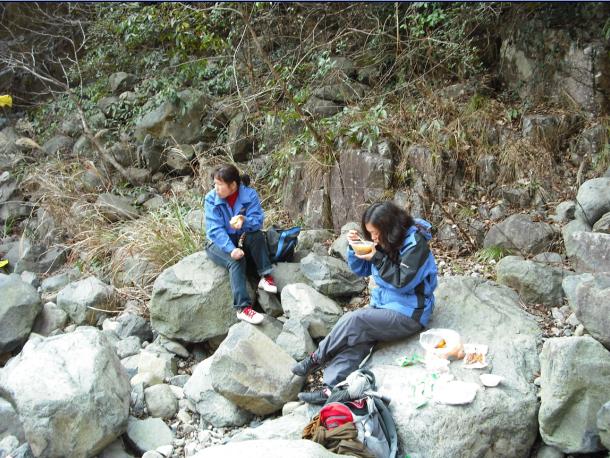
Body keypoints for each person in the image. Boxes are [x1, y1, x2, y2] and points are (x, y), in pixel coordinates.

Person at [292, 201, 438, 403]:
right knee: (358, 339)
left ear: (390, 228)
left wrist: (377, 257)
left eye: (376, 233)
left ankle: (316, 359)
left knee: (356, 320)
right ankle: (329, 388)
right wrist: (355, 248)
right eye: (370, 233)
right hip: (384, 305)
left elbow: (402, 282)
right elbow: (361, 270)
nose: (374, 238)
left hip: (410, 312)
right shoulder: (384, 241)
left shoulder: (415, 245)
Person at [204, 164, 278, 325]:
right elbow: (215, 230)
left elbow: (257, 222)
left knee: (257, 235)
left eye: (219, 185)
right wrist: (231, 250)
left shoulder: (249, 195)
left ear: (233, 185)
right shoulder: (211, 199)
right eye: (215, 184)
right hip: (217, 243)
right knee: (237, 260)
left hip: (239, 237)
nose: (215, 188)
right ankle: (242, 308)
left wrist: (244, 221)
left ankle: (266, 276)